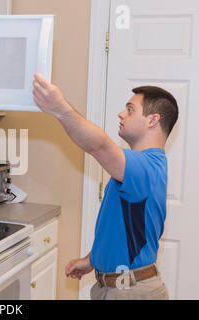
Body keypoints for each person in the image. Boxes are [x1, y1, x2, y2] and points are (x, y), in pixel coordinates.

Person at [32, 73, 178, 300]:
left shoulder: (147, 166)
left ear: (152, 120)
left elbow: (99, 146)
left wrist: (59, 108)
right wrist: (92, 259)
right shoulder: (136, 170)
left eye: (130, 109)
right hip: (115, 288)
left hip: (131, 292)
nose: (121, 114)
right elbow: (122, 227)